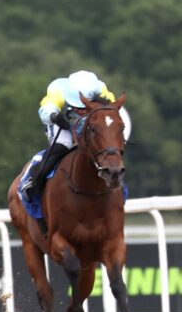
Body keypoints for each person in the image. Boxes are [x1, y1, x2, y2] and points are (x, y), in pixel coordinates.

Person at [20, 70, 121, 231]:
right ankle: (32, 181)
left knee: (104, 149)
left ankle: (118, 186)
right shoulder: (58, 91)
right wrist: (54, 116)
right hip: (63, 124)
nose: (80, 110)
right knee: (63, 145)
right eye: (76, 106)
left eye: (83, 106)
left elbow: (112, 113)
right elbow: (44, 110)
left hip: (92, 125)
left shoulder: (103, 92)